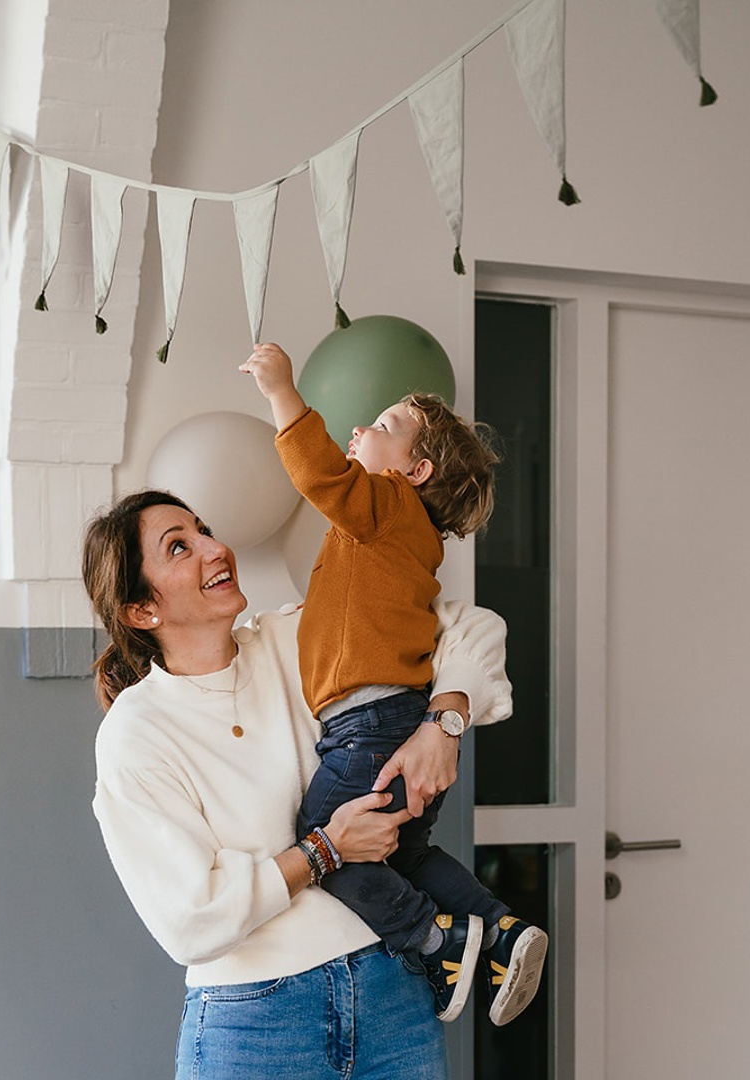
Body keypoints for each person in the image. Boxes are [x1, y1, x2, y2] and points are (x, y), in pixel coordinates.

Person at [83, 488, 512, 1080]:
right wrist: (325, 850)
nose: (215, 548)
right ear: (141, 610)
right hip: (256, 1020)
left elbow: (471, 627)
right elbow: (190, 920)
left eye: (205, 529)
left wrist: (445, 722)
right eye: (180, 547)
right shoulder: (136, 732)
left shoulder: (301, 638)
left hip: (393, 991)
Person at [240, 342, 548, 1028]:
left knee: (325, 841)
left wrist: (282, 394)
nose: (358, 431)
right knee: (406, 852)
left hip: (368, 727)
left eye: (378, 426)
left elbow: (320, 474)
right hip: (388, 719)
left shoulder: (383, 509)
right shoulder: (403, 538)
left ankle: (438, 940)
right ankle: (498, 930)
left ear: (414, 471)